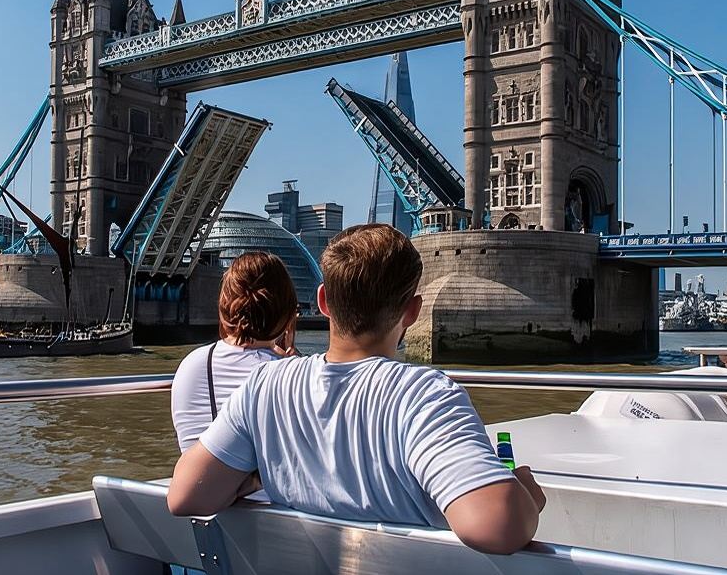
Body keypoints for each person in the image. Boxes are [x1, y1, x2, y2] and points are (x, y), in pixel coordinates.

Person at [167, 223, 545, 555]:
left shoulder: (264, 387)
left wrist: (263, 470)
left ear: (323, 302)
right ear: (412, 312)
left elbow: (185, 496)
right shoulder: (426, 396)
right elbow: (498, 527)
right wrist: (526, 494)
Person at [170, 251, 299, 452]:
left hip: (203, 482)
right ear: (288, 313)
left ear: (224, 306)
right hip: (268, 484)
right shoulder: (295, 377)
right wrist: (295, 365)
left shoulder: (191, 364)